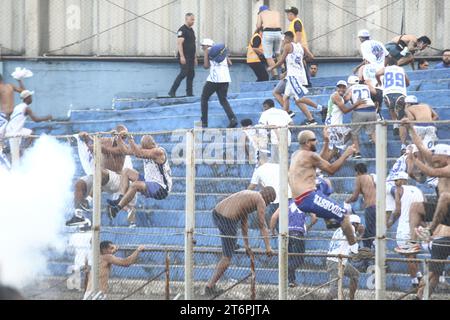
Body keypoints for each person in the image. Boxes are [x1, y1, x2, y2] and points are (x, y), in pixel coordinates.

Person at [289, 130, 359, 249]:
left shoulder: (296, 154)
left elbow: (320, 160)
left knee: (324, 183)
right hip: (308, 198)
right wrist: (346, 154)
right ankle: (355, 248)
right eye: (314, 140)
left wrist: (326, 142)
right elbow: (331, 169)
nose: (317, 141)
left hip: (300, 199)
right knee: (345, 216)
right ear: (307, 142)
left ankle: (329, 220)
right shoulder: (311, 156)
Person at [204, 187, 276, 296]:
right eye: (270, 201)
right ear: (268, 196)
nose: (268, 204)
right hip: (227, 221)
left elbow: (244, 224)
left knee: (232, 241)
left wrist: (247, 246)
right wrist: (268, 247)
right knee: (227, 258)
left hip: (216, 213)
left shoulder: (250, 196)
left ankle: (232, 244)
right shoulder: (260, 199)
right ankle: (209, 286)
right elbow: (262, 224)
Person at [65, 125, 134, 226]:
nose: (123, 138)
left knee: (100, 171)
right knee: (80, 183)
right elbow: (92, 143)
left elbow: (106, 150)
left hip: (116, 180)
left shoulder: (124, 147)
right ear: (115, 134)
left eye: (124, 137)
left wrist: (97, 146)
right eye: (121, 136)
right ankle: (78, 216)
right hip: (100, 177)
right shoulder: (106, 140)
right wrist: (86, 137)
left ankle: (88, 201)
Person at [107, 134, 172, 218]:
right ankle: (121, 197)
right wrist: (118, 138)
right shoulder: (146, 148)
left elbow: (138, 153)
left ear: (152, 144)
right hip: (149, 181)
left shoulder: (158, 152)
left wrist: (130, 138)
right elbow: (125, 150)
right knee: (126, 171)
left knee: (135, 185)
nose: (143, 148)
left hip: (161, 188)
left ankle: (117, 209)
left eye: (144, 147)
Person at [268, 31, 323, 125]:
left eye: (284, 39)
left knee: (299, 99)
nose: (283, 41)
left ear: (288, 38)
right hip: (296, 75)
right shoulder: (301, 46)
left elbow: (281, 61)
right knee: (285, 97)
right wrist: (300, 59)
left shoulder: (288, 46)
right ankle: (288, 118)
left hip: (294, 77)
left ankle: (321, 108)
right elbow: (311, 56)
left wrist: (271, 67)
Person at [386, 172, 423, 288]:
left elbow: (397, 211)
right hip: (417, 229)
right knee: (414, 255)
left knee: (409, 258)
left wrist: (389, 223)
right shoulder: (417, 190)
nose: (395, 183)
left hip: (404, 229)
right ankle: (419, 276)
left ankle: (415, 283)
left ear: (402, 180)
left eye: (396, 181)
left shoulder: (399, 190)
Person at [270, 200, 316, 287]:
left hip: (286, 234)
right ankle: (286, 268)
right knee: (299, 259)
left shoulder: (285, 203)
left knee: (290, 257)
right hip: (298, 234)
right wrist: (308, 226)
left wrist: (272, 232)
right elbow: (314, 218)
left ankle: (291, 280)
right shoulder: (305, 202)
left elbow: (273, 218)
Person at [326, 214, 363, 300]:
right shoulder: (351, 228)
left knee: (355, 275)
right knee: (334, 291)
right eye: (359, 224)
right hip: (336, 262)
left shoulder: (340, 228)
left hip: (338, 260)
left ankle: (351, 298)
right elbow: (354, 249)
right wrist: (361, 234)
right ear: (355, 224)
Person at [200, 43, 238, 128]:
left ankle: (204, 122)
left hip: (214, 79)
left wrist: (206, 53)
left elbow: (206, 66)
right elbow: (230, 64)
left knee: (204, 98)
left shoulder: (209, 53)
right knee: (223, 100)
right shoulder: (222, 52)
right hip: (225, 79)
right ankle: (232, 119)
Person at [248, 158, 293, 227]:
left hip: (276, 200)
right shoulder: (277, 166)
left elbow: (250, 188)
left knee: (279, 225)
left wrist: (242, 195)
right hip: (288, 197)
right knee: (290, 223)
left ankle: (279, 234)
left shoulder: (258, 170)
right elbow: (290, 178)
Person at [325, 80, 363, 154]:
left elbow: (343, 101)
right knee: (333, 150)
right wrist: (357, 103)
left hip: (333, 125)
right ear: (336, 88)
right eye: (339, 87)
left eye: (343, 87)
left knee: (351, 133)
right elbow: (345, 110)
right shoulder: (336, 96)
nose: (341, 89)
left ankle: (342, 148)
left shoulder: (338, 97)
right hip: (334, 126)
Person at [376, 57, 410, 137]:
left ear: (388, 64)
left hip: (388, 92)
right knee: (401, 110)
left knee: (391, 108)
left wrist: (379, 82)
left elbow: (377, 74)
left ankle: (395, 124)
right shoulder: (401, 69)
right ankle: (400, 125)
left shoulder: (386, 68)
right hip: (400, 92)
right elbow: (408, 83)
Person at [344, 75, 377, 159]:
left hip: (360, 111)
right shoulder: (365, 86)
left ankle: (357, 152)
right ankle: (381, 151)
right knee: (372, 132)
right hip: (372, 109)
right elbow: (374, 92)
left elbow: (346, 99)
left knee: (354, 133)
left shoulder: (351, 88)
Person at [345, 163, 377, 249]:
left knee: (369, 234)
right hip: (379, 207)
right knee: (372, 231)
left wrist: (347, 200)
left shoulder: (359, 178)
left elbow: (355, 197)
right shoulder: (371, 177)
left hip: (370, 207)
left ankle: (368, 253)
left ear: (358, 171)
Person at [416, 224, 450, 300]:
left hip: (437, 241)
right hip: (443, 242)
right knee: (431, 273)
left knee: (435, 275)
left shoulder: (442, 216)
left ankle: (422, 297)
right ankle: (419, 295)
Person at [168, 13, 197, 98]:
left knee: (191, 74)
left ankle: (189, 93)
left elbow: (193, 44)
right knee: (183, 73)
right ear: (186, 19)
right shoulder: (182, 30)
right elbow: (179, 43)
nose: (193, 21)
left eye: (193, 19)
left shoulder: (191, 30)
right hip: (185, 56)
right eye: (191, 19)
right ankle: (172, 91)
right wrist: (182, 56)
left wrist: (195, 57)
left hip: (191, 56)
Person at [257, 99, 293, 163]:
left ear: (266, 106)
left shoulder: (265, 113)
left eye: (264, 107)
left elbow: (261, 125)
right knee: (284, 159)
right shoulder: (283, 112)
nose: (264, 109)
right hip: (286, 136)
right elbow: (291, 124)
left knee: (276, 161)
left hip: (275, 138)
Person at [285, 6, 311, 86]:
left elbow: (298, 34)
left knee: (300, 64)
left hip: (298, 48)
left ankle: (307, 83)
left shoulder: (296, 22)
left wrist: (295, 46)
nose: (287, 16)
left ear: (292, 14)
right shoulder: (294, 22)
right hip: (297, 47)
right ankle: (305, 82)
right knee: (300, 64)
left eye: (288, 14)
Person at [256, 5, 282, 80]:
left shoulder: (261, 14)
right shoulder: (276, 13)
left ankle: (275, 74)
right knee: (277, 53)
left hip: (268, 33)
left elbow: (258, 26)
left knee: (268, 56)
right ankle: (283, 68)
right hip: (278, 32)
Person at [0, 74, 25, 141]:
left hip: (5, 115)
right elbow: (23, 91)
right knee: (13, 134)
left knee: (6, 135)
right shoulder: (10, 86)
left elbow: (23, 92)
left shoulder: (7, 86)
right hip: (11, 114)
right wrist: (19, 80)